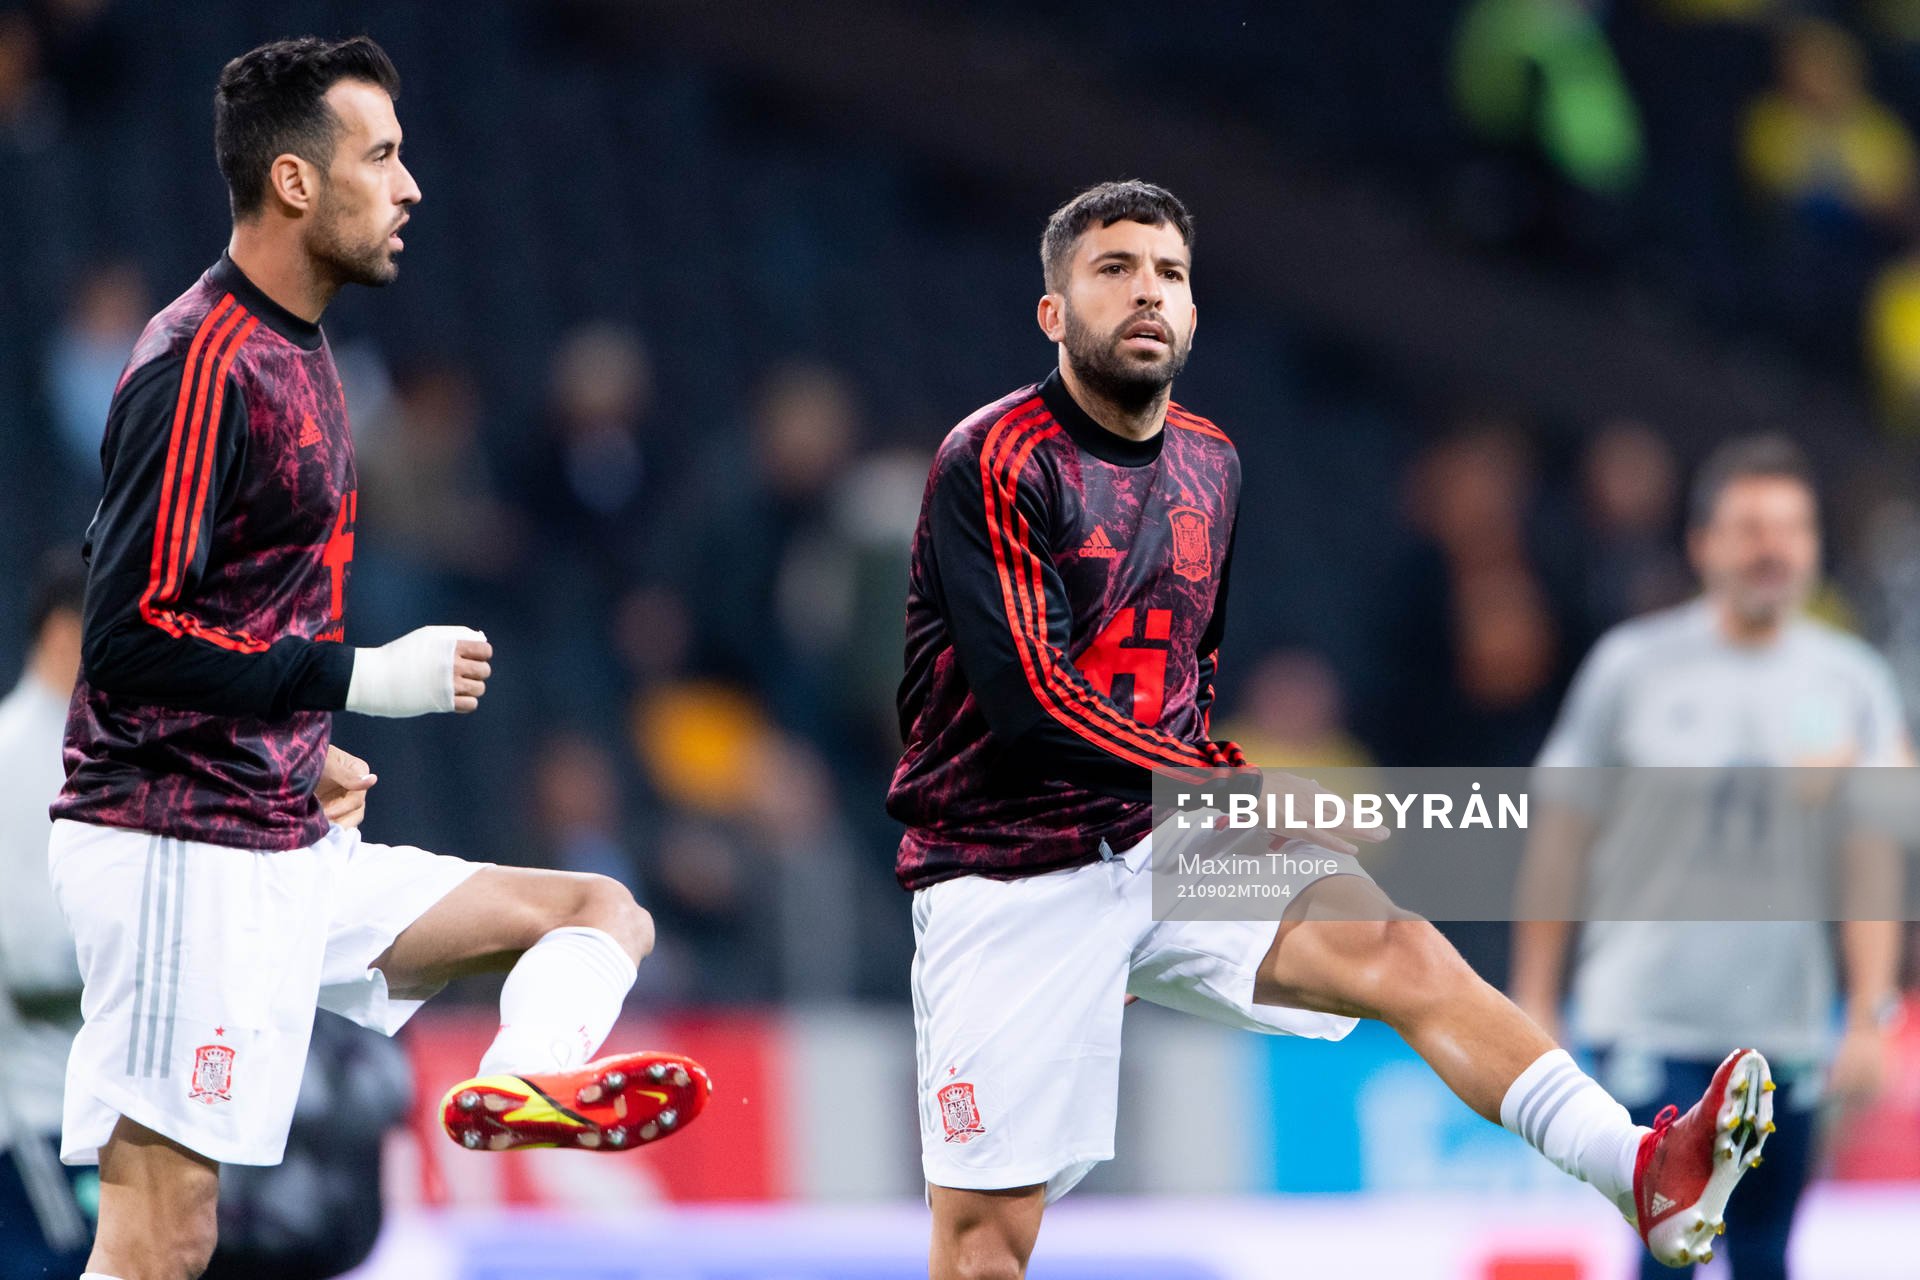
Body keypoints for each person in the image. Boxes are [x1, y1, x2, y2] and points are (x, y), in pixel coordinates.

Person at [886, 180, 1773, 1280]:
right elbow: (1033, 705)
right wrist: (1239, 794)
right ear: (1054, 313)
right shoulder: (994, 459)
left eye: (1168, 272)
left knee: (1400, 946)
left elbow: (1179, 682)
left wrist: (1220, 794)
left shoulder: (1213, 460)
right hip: (1009, 864)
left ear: (1196, 313)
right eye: (1113, 270)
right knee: (984, 1242)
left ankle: (1643, 1169)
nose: (1147, 292)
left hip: (1165, 839)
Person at [49, 37, 706, 1280]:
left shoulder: (305, 356)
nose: (411, 186)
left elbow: (234, 623)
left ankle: (522, 1083)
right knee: (160, 1238)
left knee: (597, 911)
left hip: (275, 831)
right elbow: (129, 634)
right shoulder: (201, 361)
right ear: (295, 181)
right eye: (384, 155)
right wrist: (355, 676)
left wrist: (304, 747)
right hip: (175, 843)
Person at [1513, 435, 1909, 1280]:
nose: (1772, 549)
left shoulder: (1850, 683)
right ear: (1703, 545)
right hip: (1650, 1018)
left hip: (1787, 1026)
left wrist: (1872, 1008)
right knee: (1667, 1245)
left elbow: (1874, 855)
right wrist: (1538, 995)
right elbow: (1559, 834)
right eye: (1750, 527)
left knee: (1766, 1254)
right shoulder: (1633, 668)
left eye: (1791, 530)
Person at [0, 555, 92, 1279]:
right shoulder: (13, 759)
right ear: (66, 634)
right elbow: (28, 958)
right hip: (31, 1113)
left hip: (88, 1107)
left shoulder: (89, 751)